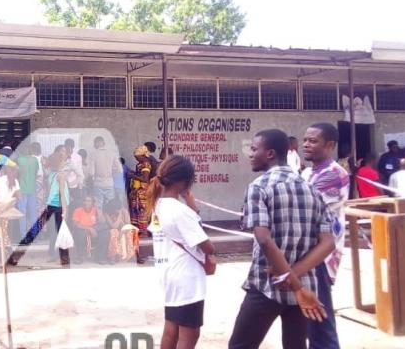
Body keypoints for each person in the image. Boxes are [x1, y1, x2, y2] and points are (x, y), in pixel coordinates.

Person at [229, 129, 334, 349]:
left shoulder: (259, 187)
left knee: (240, 345)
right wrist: (296, 280)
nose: (250, 154)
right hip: (304, 289)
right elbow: (328, 243)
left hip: (267, 285)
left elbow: (265, 241)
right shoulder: (312, 190)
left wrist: (290, 281)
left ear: (270, 154)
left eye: (254, 149)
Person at [146, 155, 215, 349]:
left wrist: (189, 202)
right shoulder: (179, 210)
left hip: (169, 273)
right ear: (185, 181)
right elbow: (207, 246)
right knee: (189, 334)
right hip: (187, 278)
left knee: (172, 326)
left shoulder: (159, 205)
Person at [302, 122, 350, 348]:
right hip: (307, 251)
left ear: (330, 145)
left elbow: (305, 206)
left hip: (321, 255)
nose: (306, 145)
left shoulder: (334, 174)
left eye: (313, 141)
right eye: (305, 140)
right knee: (310, 319)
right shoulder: (307, 172)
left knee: (320, 320)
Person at [71, 195, 109, 264]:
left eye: (89, 201)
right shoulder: (78, 210)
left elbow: (103, 221)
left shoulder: (95, 209)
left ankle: (100, 257)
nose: (86, 202)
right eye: (85, 200)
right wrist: (89, 228)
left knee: (105, 231)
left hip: (94, 231)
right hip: (82, 230)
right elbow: (75, 224)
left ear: (92, 203)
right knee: (79, 232)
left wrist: (97, 207)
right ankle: (79, 257)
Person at [15, 144, 40, 243]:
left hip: (22, 189)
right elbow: (36, 173)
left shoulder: (18, 160)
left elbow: (17, 174)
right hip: (32, 189)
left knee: (22, 213)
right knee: (33, 213)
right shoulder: (34, 160)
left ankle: (23, 235)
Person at [89, 136, 122, 209]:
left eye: (94, 143)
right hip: (109, 182)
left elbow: (91, 173)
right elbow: (120, 169)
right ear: (103, 143)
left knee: (98, 204)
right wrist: (112, 171)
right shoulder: (112, 153)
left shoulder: (93, 154)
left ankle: (100, 219)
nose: (94, 145)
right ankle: (110, 219)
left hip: (98, 183)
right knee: (110, 204)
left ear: (97, 143)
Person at [128, 146, 153, 241]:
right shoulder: (139, 164)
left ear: (143, 156)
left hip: (143, 191)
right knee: (135, 210)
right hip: (136, 190)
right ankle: (138, 230)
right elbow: (140, 175)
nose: (136, 158)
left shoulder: (146, 164)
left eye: (137, 157)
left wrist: (132, 175)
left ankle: (144, 232)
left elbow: (145, 179)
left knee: (142, 210)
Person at [64, 138, 85, 208]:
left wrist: (80, 186)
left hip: (74, 185)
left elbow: (80, 171)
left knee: (75, 204)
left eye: (70, 146)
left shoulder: (78, 157)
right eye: (67, 146)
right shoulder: (62, 155)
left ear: (73, 146)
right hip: (63, 184)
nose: (68, 148)